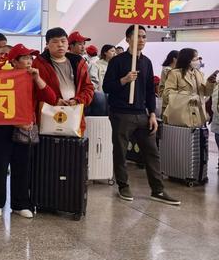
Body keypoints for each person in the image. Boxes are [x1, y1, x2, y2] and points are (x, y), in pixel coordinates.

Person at [102, 25, 180, 205]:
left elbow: (149, 91)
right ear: (128, 39)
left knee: (152, 152)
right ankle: (123, 185)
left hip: (142, 114)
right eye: (138, 36)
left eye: (144, 37)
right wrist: (124, 80)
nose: (142, 40)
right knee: (120, 151)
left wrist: (152, 113)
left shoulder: (146, 62)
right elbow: (107, 87)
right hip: (121, 113)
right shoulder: (117, 61)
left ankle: (157, 190)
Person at [0, 44, 58, 218]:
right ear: (14, 61)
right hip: (3, 129)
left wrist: (37, 79)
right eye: (25, 58)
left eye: (30, 58)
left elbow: (51, 98)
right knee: (0, 166)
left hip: (26, 128)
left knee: (22, 166)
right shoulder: (2, 77)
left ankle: (20, 204)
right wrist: (15, 122)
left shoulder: (32, 77)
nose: (29, 61)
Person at [32, 27, 94, 115]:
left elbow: (88, 87)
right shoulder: (38, 63)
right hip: (48, 113)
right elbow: (34, 90)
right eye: (55, 42)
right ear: (47, 44)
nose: (60, 45)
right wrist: (55, 100)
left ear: (68, 43)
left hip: (74, 112)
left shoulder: (78, 62)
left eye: (63, 41)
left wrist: (77, 100)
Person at [161, 48, 217, 126]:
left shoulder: (199, 74)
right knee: (181, 133)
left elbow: (206, 93)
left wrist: (210, 82)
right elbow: (167, 94)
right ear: (188, 60)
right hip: (180, 114)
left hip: (198, 114)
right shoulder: (174, 73)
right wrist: (188, 96)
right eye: (195, 59)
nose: (198, 61)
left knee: (196, 133)